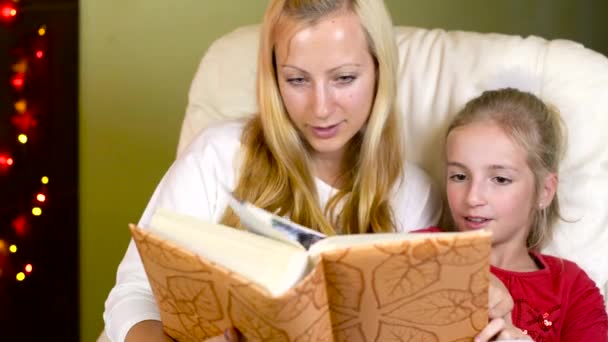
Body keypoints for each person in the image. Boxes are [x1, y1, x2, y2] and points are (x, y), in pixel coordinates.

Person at [102, 1, 444, 341]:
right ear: (274, 78)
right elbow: (134, 293)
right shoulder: (219, 154)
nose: (321, 108)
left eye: (344, 78)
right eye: (297, 80)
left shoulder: (414, 193)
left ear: (379, 72)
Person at [421, 88, 608, 341]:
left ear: (544, 191)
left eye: (500, 179)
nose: (473, 197)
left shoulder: (572, 289)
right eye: (459, 176)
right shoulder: (418, 251)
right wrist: (463, 275)